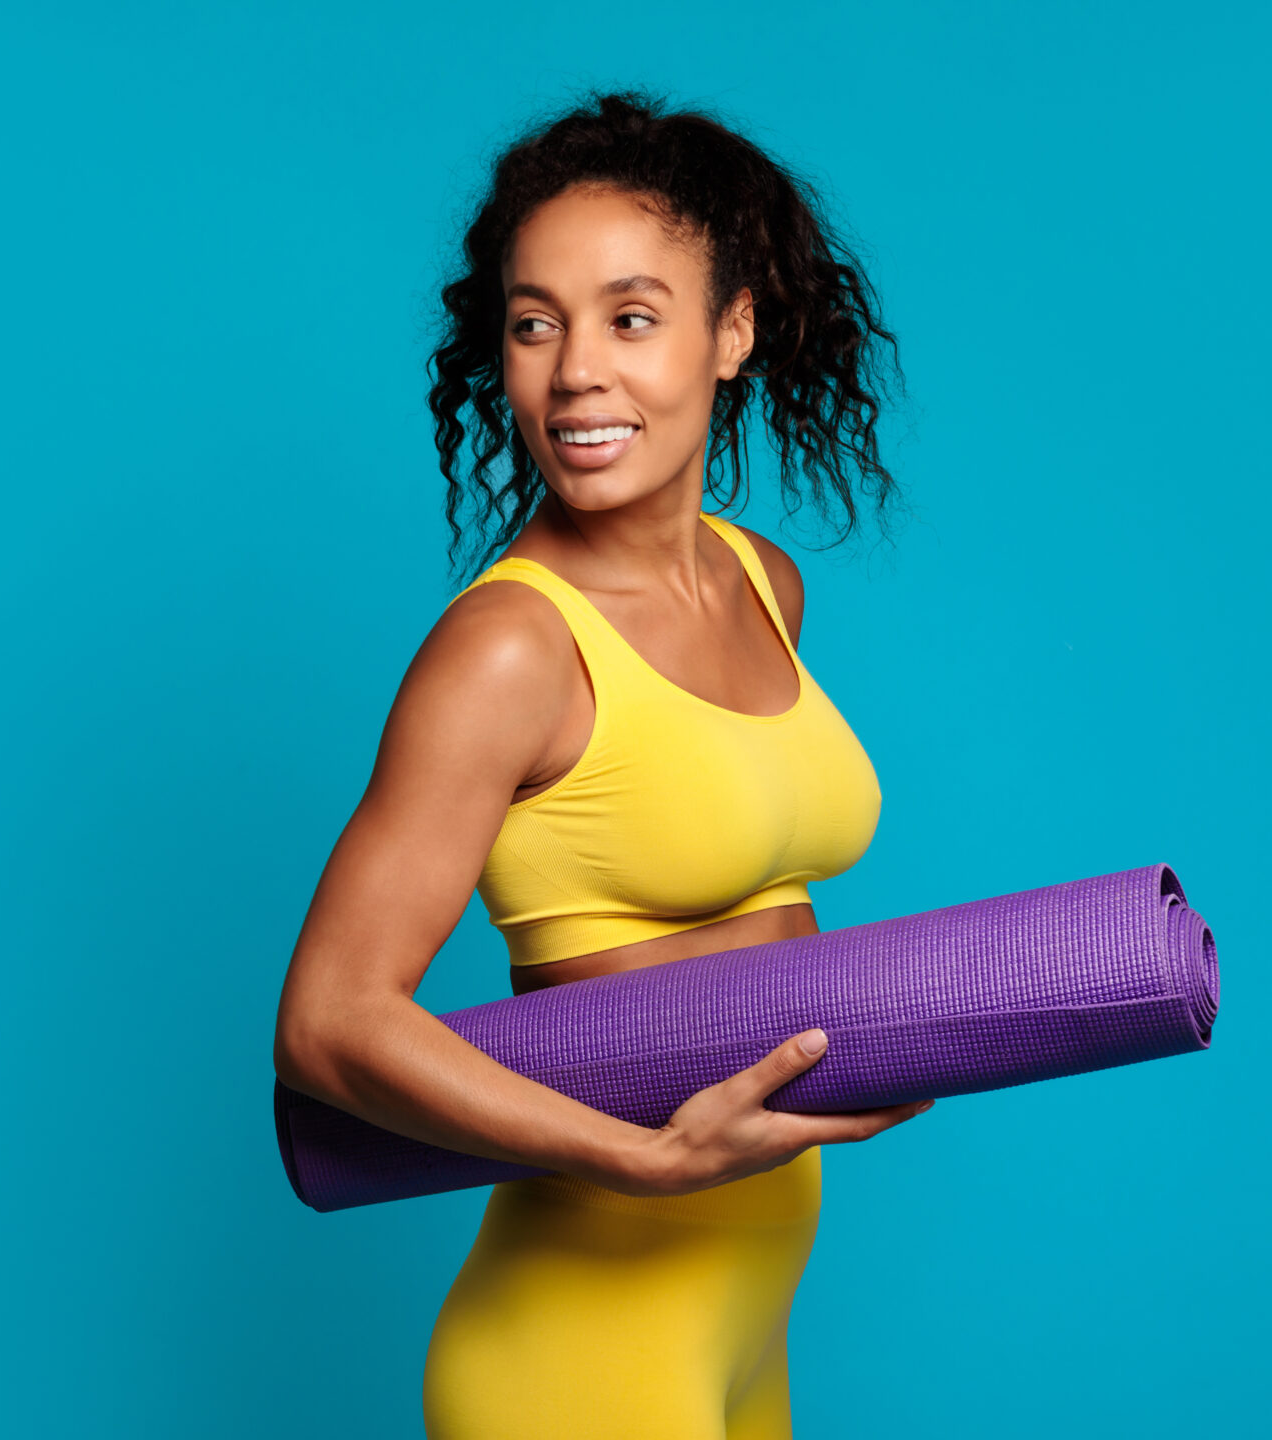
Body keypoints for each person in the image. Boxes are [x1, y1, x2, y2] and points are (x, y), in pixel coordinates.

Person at [270, 91, 934, 1438]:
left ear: (730, 332)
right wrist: (638, 1158)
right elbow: (328, 1022)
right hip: (583, 1338)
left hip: (746, 1309)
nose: (575, 371)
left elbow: (754, 920)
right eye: (535, 322)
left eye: (630, 317)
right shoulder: (511, 650)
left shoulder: (764, 584)